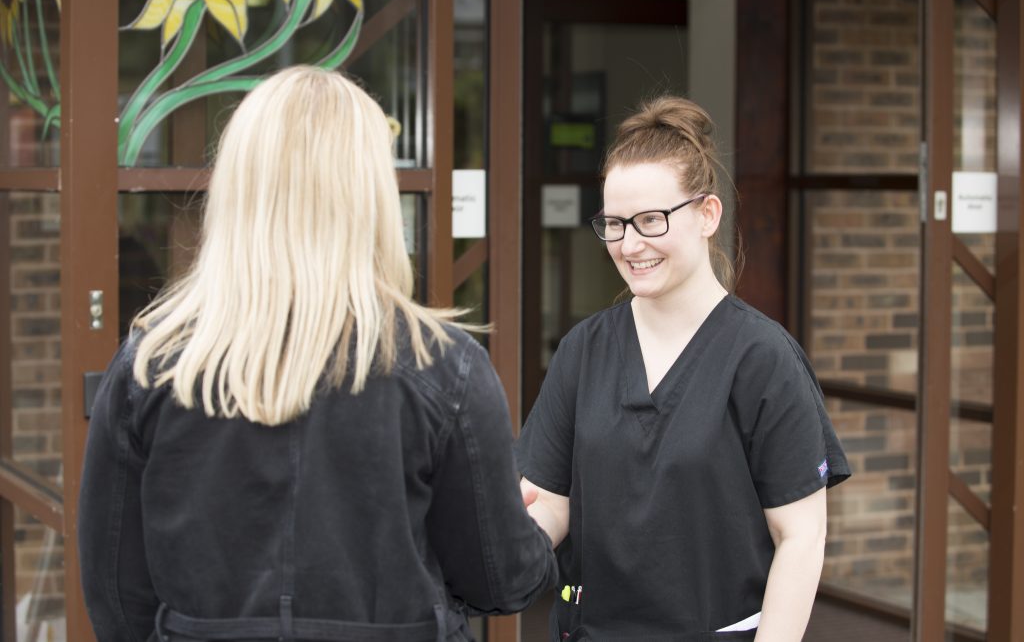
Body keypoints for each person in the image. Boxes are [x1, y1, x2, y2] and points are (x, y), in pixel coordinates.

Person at [78, 66, 558, 642]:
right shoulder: (443, 366)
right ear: (370, 193)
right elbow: (499, 583)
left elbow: (116, 598)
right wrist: (534, 526)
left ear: (238, 186)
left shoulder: (151, 364)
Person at [516, 96, 850, 641]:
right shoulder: (585, 350)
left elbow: (801, 537)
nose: (630, 244)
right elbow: (552, 505)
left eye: (650, 220)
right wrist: (505, 536)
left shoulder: (762, 359)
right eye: (615, 224)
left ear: (707, 215)